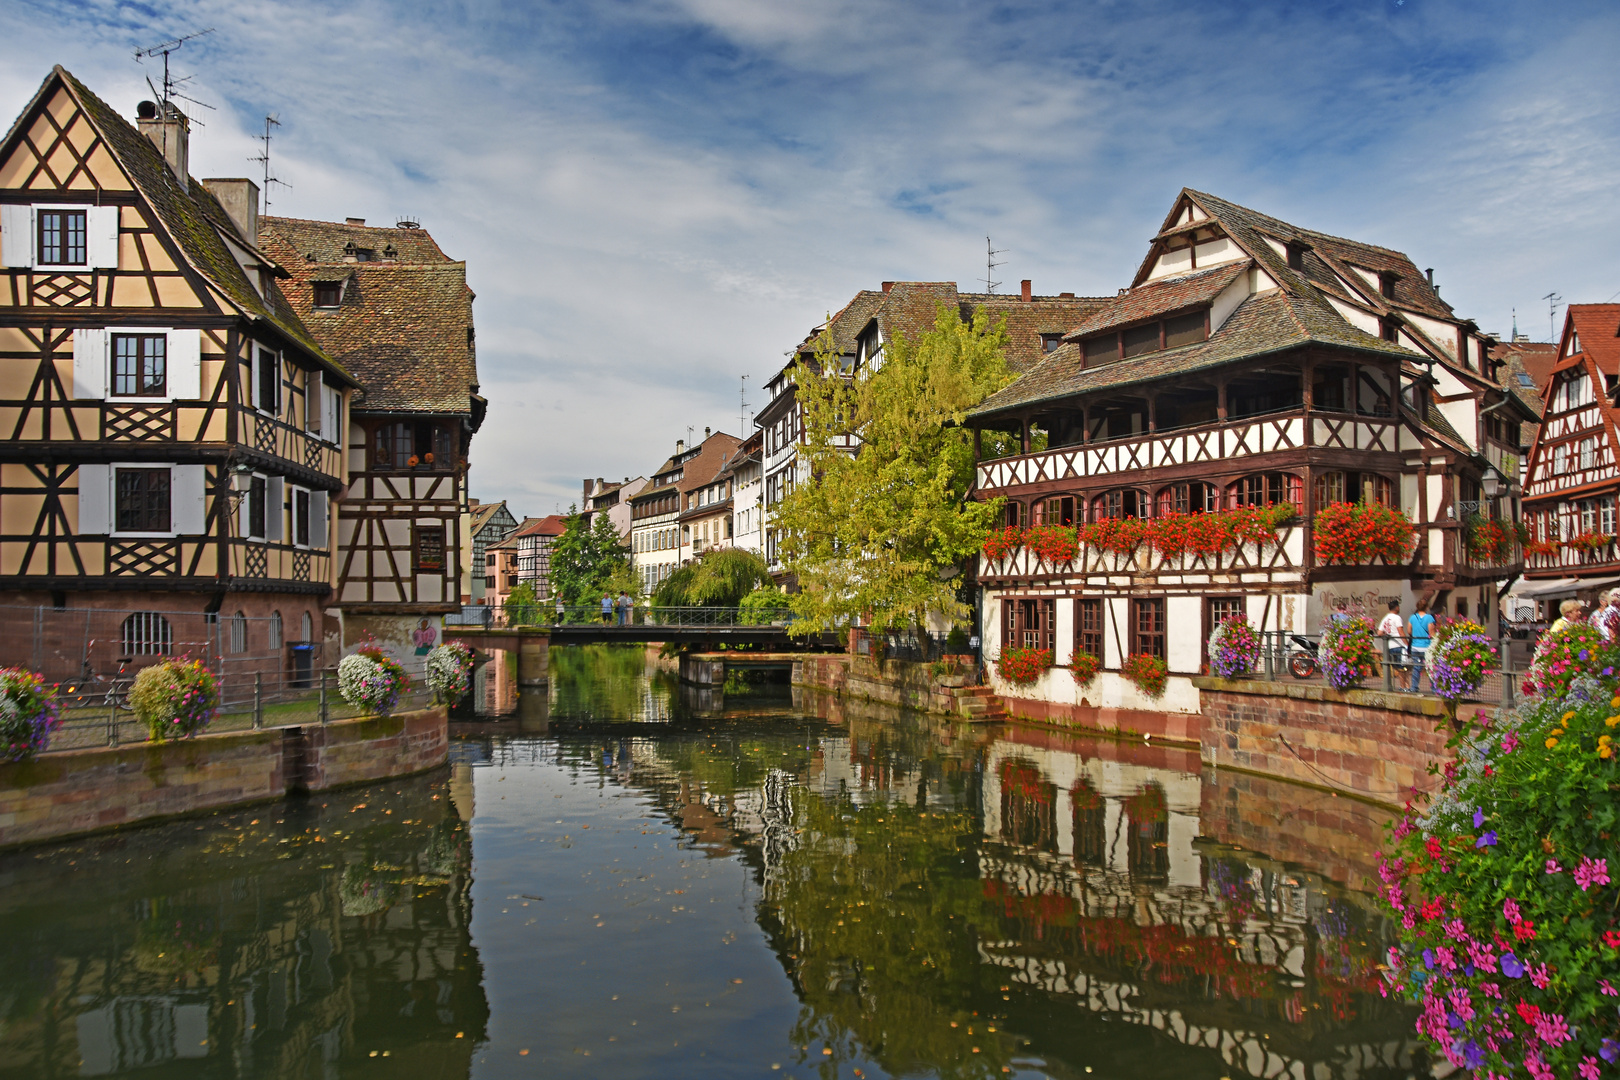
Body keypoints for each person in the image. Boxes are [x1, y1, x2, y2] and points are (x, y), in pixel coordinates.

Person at [1407, 599, 1436, 693]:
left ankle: (1414, 687)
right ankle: (1434, 688)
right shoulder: (1429, 618)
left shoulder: (1412, 617)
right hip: (1426, 646)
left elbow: (1409, 631)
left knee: (1416, 667)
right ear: (1427, 607)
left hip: (1415, 646)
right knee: (1430, 667)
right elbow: (1431, 633)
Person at [1376, 600, 1405, 677]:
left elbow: (1379, 632)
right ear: (1397, 607)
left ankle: (1403, 686)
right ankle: (1405, 686)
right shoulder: (1397, 617)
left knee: (1396, 667)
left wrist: (1387, 633)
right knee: (1403, 668)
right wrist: (1406, 644)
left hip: (1390, 646)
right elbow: (1401, 632)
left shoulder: (1385, 618)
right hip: (1399, 644)